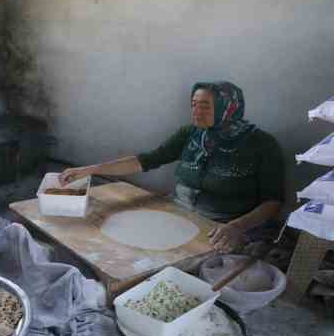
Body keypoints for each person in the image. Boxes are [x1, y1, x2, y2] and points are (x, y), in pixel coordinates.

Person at [59, 81, 284, 253]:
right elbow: (146, 160)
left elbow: (273, 202)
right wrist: (90, 170)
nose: (196, 112)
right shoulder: (191, 134)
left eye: (205, 106)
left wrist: (237, 227)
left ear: (229, 108)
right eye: (194, 105)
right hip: (179, 213)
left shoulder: (261, 144)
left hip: (221, 227)